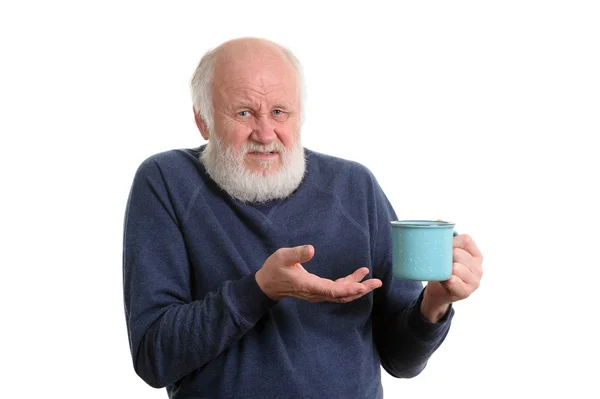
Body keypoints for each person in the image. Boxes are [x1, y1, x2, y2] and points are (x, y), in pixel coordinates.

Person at [122, 37, 484, 399]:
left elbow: (402, 362)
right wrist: (260, 289)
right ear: (203, 121)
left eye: (280, 112)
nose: (265, 134)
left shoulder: (354, 186)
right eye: (244, 112)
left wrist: (435, 301)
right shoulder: (166, 181)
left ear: (300, 115)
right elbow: (154, 358)